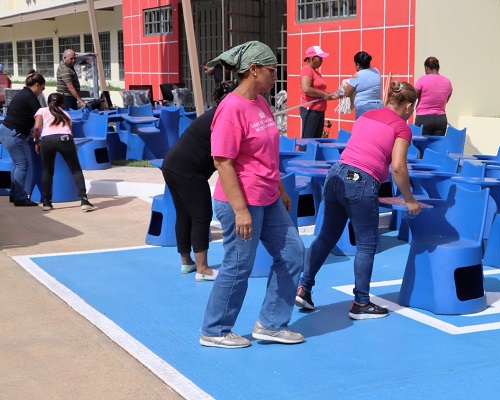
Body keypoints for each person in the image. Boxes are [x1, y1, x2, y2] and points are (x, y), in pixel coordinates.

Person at [199, 41, 305, 349]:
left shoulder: (260, 102)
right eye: (273, 70)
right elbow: (223, 162)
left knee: (293, 253)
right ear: (254, 70)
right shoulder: (231, 108)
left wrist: (280, 188)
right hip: (240, 201)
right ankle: (215, 330)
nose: (276, 75)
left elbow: (268, 153)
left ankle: (271, 323)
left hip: (268, 196)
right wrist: (241, 210)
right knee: (238, 265)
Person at [296, 81, 422, 319]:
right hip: (361, 182)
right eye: (411, 108)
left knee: (326, 236)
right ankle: (361, 303)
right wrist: (410, 199)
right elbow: (398, 168)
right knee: (366, 244)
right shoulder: (402, 128)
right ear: (407, 106)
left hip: (336, 174)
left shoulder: (366, 116)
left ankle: (304, 287)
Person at [161, 81, 237, 282]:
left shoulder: (214, 114)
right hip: (188, 170)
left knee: (184, 214)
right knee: (201, 216)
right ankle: (203, 269)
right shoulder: (223, 119)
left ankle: (187, 262)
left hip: (172, 164)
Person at [32, 93, 95, 212]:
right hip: (65, 139)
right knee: (75, 169)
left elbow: (36, 127)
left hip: (47, 140)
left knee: (47, 170)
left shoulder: (42, 110)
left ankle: (46, 202)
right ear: (62, 104)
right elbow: (70, 131)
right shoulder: (66, 114)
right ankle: (84, 200)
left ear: (48, 102)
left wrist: (37, 141)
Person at [0, 69, 45, 206]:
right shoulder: (30, 97)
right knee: (22, 165)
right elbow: (39, 120)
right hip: (13, 134)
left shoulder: (23, 93)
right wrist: (37, 138)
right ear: (37, 85)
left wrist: (28, 132)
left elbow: (21, 116)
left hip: (8, 131)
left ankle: (15, 194)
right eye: (42, 88)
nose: (42, 91)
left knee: (17, 164)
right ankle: (20, 198)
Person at [299, 45, 339, 138]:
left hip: (319, 110)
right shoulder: (307, 70)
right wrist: (323, 94)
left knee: (316, 140)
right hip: (311, 109)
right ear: (312, 58)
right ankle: (303, 153)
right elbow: (306, 88)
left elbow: (321, 93)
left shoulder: (315, 72)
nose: (322, 61)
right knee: (307, 141)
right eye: (320, 58)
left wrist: (338, 95)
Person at [414, 56, 452, 136]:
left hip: (423, 118)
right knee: (436, 147)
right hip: (440, 119)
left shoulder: (422, 79)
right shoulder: (447, 81)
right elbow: (447, 99)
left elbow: (413, 95)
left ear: (427, 68)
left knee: (421, 146)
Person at [344, 51, 383, 120]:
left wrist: (345, 86)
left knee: (363, 130)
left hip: (364, 108)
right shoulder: (376, 71)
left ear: (358, 65)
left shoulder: (356, 76)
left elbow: (347, 93)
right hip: (379, 106)